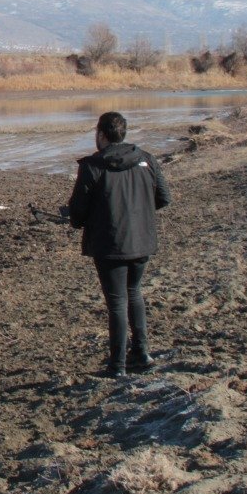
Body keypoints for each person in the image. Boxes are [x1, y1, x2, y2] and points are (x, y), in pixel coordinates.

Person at [66, 111, 171, 378]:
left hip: (110, 244)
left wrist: (89, 218)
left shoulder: (93, 165)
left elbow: (77, 213)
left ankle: (118, 366)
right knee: (133, 293)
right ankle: (142, 353)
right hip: (141, 241)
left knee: (117, 302)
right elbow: (163, 198)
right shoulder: (146, 158)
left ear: (101, 134)